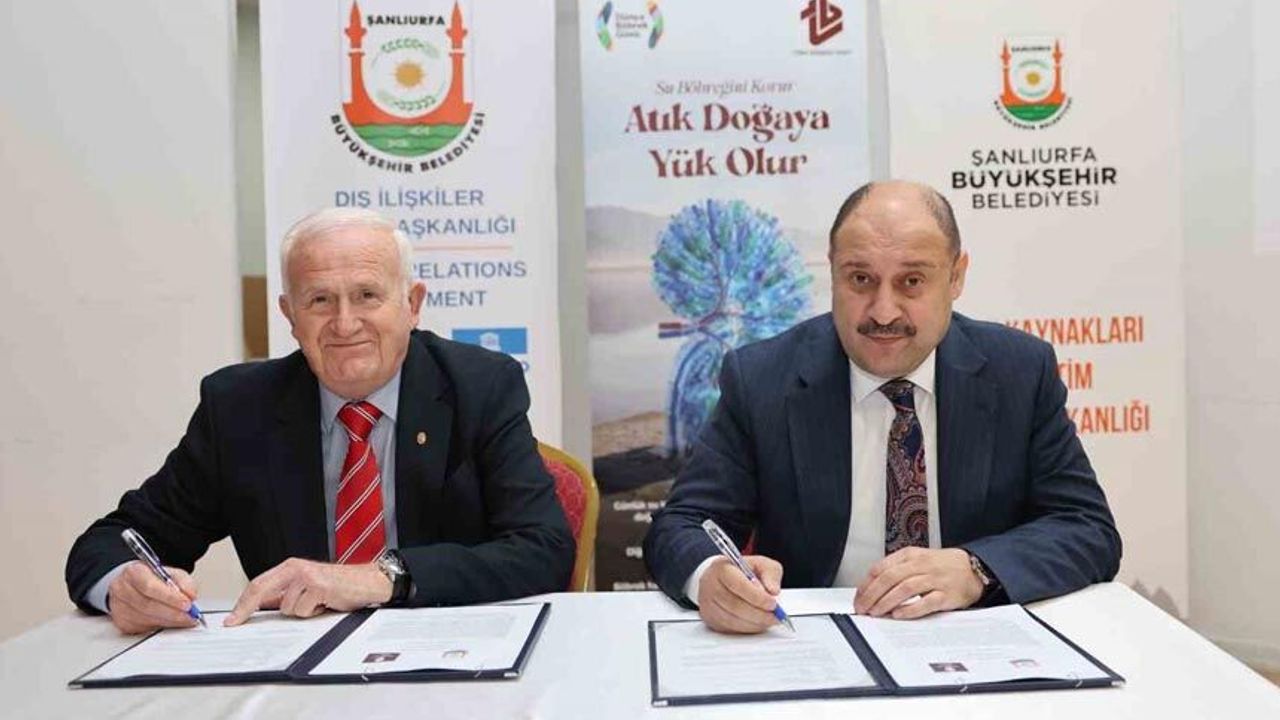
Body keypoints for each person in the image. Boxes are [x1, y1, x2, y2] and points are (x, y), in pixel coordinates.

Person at [65, 208, 573, 634]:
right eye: (320, 301)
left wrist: (381, 578)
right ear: (290, 314)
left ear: (412, 304)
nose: (345, 323)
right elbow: (110, 542)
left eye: (367, 295)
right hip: (295, 680)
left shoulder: (479, 387)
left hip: (450, 659)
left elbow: (544, 549)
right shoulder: (240, 407)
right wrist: (122, 585)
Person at [644, 180, 1121, 633]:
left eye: (912, 281)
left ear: (956, 277)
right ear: (833, 271)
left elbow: (1087, 529)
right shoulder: (762, 378)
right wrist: (711, 576)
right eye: (860, 279)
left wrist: (976, 569)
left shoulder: (1018, 371)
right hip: (816, 645)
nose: (884, 312)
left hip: (974, 641)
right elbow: (681, 525)